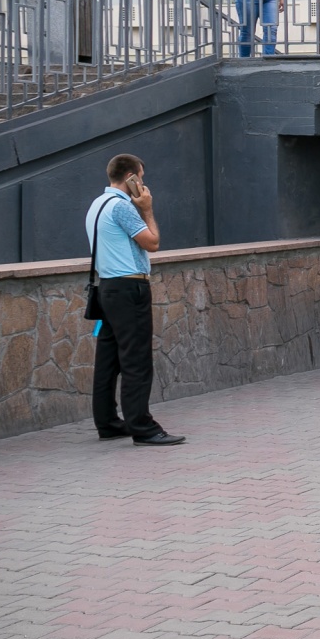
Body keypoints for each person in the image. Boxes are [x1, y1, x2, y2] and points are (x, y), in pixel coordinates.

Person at [86, 154, 184, 447]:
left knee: (108, 359)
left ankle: (108, 423)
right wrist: (148, 209)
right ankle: (143, 427)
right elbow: (152, 243)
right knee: (136, 360)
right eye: (140, 177)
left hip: (106, 289)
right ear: (131, 178)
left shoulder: (96, 205)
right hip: (130, 290)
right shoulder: (122, 208)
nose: (142, 183)